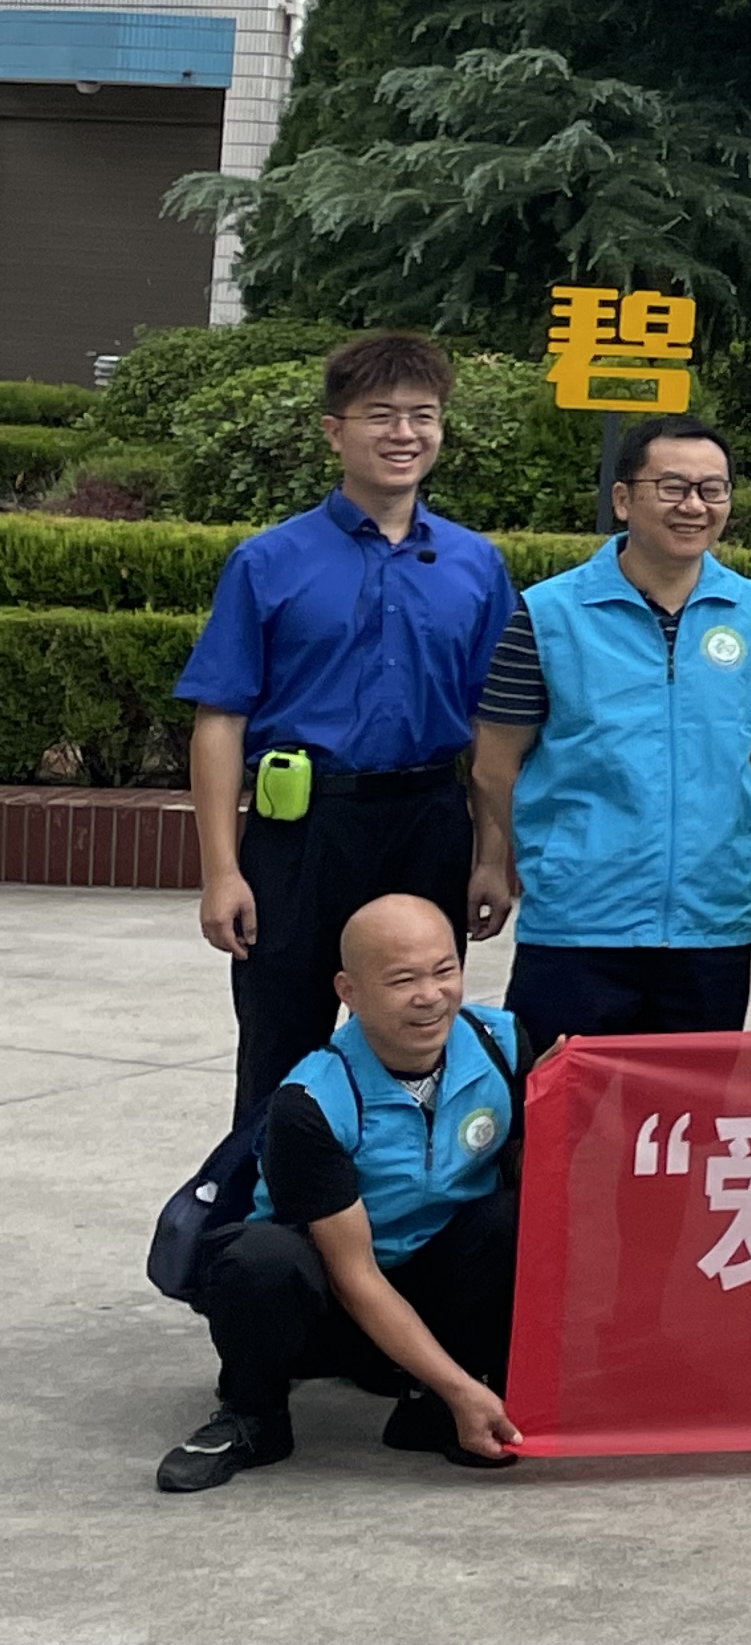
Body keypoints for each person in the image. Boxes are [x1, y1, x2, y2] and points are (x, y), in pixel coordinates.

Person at [178, 332, 518, 1122]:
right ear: (335, 430)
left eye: (423, 415)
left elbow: (492, 725)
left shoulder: (476, 565)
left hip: (428, 825)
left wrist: (491, 856)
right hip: (303, 832)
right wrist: (221, 871)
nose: (404, 433)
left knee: (418, 1039)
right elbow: (220, 719)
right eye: (381, 415)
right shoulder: (268, 561)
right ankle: (265, 1199)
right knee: (281, 1046)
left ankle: (406, 1193)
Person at [158, 894, 526, 1494]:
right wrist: (464, 1387)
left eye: (445, 970)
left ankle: (430, 1406)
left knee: (517, 1218)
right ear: (348, 991)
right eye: (403, 980)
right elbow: (354, 1275)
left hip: (439, 1279)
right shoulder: (312, 1101)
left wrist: (567, 1104)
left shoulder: (501, 1045)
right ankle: (254, 1414)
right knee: (259, 1260)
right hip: (332, 1304)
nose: (431, 996)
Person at [463, 411, 751, 1041]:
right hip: (577, 925)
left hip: (710, 923)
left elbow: (750, 752)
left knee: (691, 1100)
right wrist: (555, 855)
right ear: (622, 498)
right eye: (672, 487)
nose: (694, 505)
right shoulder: (548, 613)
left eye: (712, 489)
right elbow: (494, 765)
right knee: (563, 1097)